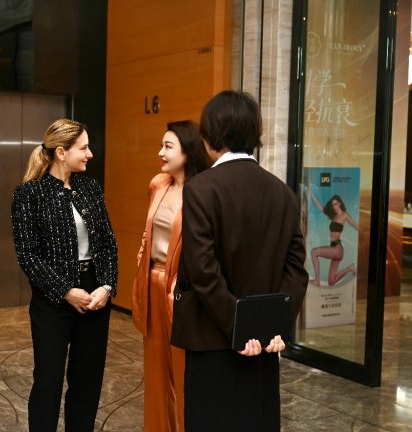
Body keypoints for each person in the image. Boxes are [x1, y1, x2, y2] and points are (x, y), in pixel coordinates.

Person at [170, 91, 308, 431]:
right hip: (264, 343)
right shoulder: (282, 192)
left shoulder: (200, 189)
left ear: (210, 136)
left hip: (213, 336)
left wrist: (239, 327)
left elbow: (203, 270)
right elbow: (296, 270)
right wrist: (272, 326)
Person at [11, 119, 118, 432]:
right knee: (48, 381)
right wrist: (66, 291)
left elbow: (108, 243)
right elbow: (27, 255)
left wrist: (107, 286)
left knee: (87, 380)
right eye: (83, 148)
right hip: (52, 300)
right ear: (61, 152)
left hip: (94, 296)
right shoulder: (28, 194)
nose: (90, 154)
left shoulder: (90, 188)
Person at [131, 121, 211, 432]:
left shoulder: (202, 192)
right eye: (161, 145)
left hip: (181, 290)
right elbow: (148, 233)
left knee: (183, 371)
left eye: (168, 147)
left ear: (188, 151)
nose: (160, 152)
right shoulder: (158, 184)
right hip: (152, 283)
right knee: (155, 374)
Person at [308, 192, 359, 286]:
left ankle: (317, 280)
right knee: (331, 282)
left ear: (340, 203)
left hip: (337, 249)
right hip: (334, 249)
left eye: (335, 204)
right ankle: (349, 268)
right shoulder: (333, 216)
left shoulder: (345, 215)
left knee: (314, 252)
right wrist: (312, 195)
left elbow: (356, 226)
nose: (334, 207)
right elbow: (321, 208)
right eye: (333, 205)